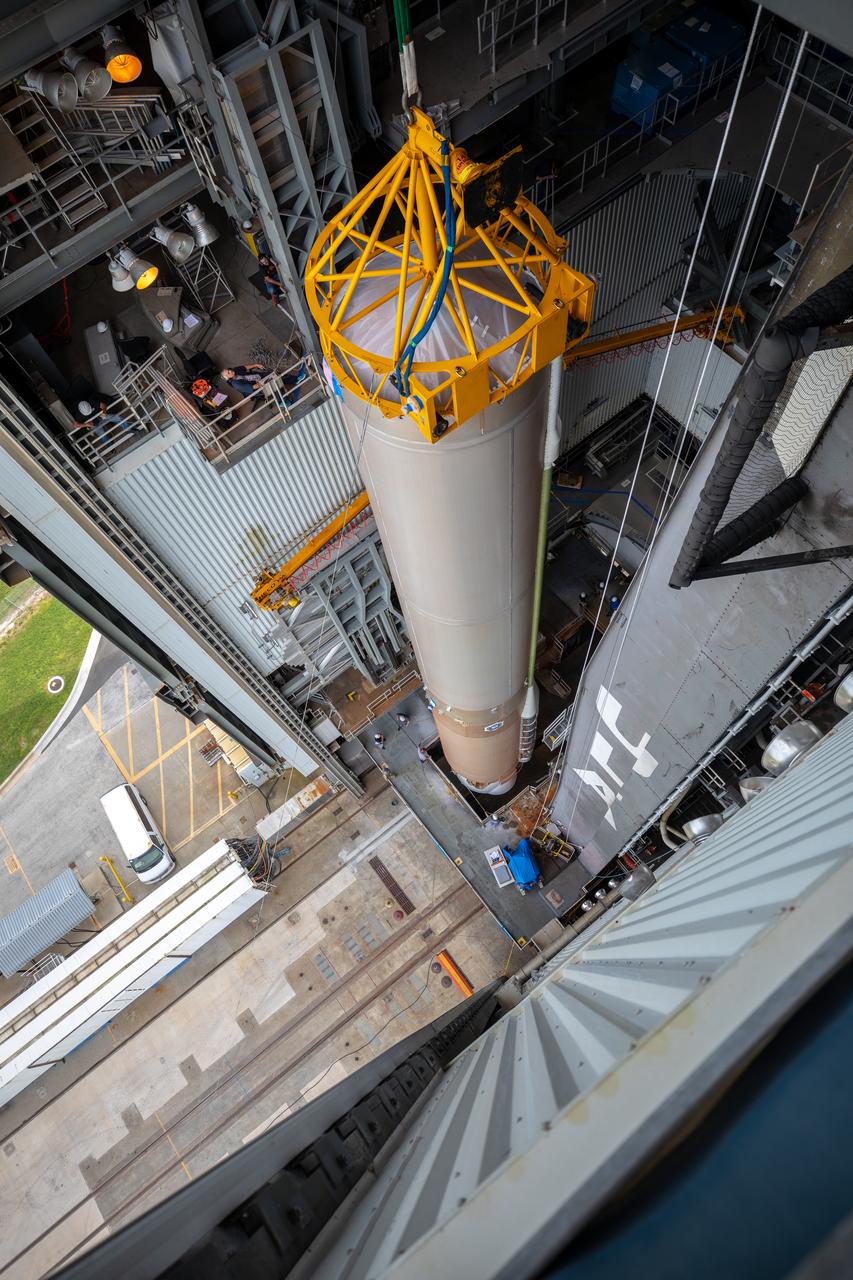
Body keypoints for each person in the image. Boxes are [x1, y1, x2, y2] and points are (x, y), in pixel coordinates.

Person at [74, 399, 143, 448]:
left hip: (101, 417)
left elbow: (103, 405)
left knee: (117, 417)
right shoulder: (78, 415)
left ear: (88, 405)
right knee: (102, 435)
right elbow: (75, 425)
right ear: (81, 411)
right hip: (94, 424)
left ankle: (128, 429)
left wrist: (104, 412)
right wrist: (86, 425)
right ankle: (110, 446)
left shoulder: (90, 401)